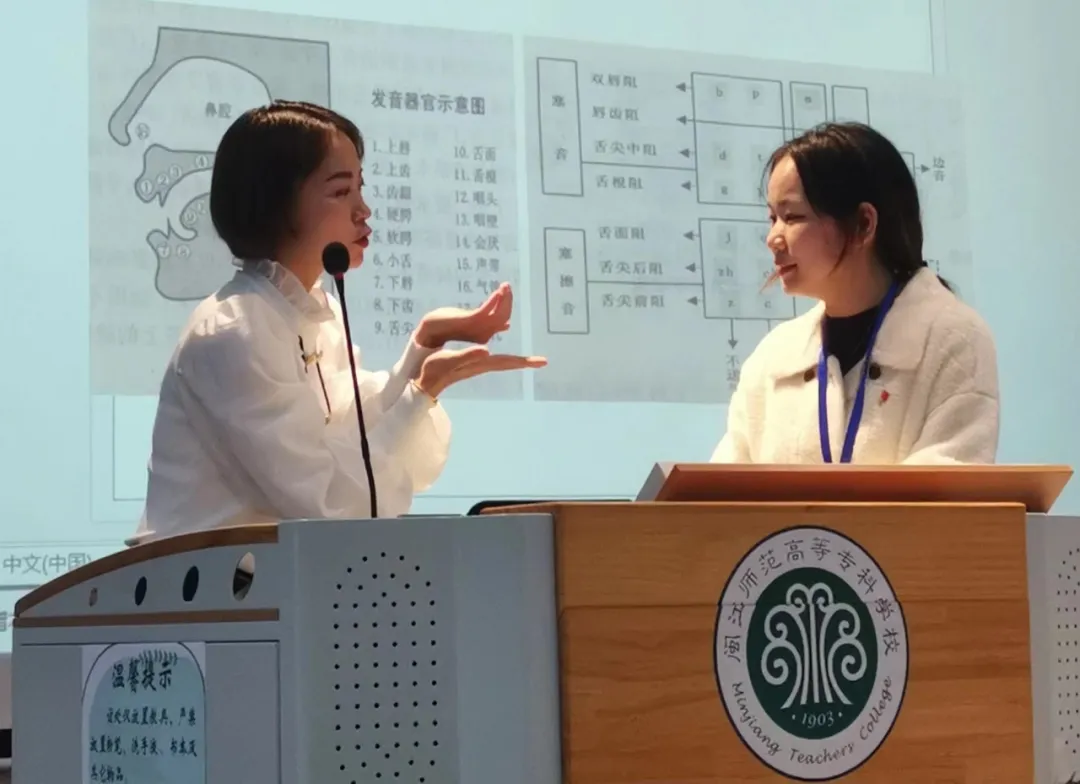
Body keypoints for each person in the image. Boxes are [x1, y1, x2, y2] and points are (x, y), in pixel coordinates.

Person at [132, 100, 545, 544]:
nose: (363, 210)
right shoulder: (234, 330)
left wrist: (423, 350)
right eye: (341, 191)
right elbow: (326, 503)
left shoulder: (310, 313)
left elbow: (353, 438)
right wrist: (423, 387)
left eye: (360, 188)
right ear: (275, 200)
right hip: (205, 580)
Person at [710, 122, 999, 465]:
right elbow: (723, 487)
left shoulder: (952, 339)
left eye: (792, 216)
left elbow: (949, 484)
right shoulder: (773, 357)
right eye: (773, 218)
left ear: (864, 223)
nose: (773, 238)